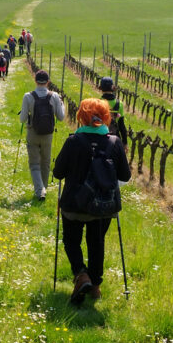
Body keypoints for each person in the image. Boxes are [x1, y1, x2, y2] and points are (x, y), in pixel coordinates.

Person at [52, 98, 130, 304]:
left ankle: (81, 274)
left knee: (71, 241)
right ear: (106, 117)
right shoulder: (114, 142)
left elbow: (58, 173)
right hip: (102, 207)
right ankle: (95, 286)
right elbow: (125, 176)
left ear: (81, 117)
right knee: (96, 243)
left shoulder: (73, 141)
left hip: (74, 204)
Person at [18, 70, 65, 200]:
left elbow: (22, 119)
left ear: (35, 81)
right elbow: (61, 117)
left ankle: (40, 191)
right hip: (48, 134)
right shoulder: (54, 96)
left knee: (34, 164)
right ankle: (43, 189)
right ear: (48, 82)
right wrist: (62, 104)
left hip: (33, 132)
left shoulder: (28, 96)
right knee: (45, 162)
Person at [98, 77, 127, 145]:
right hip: (115, 139)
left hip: (101, 137)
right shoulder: (119, 103)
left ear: (101, 88)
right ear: (113, 88)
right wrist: (125, 142)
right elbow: (121, 125)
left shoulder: (98, 103)